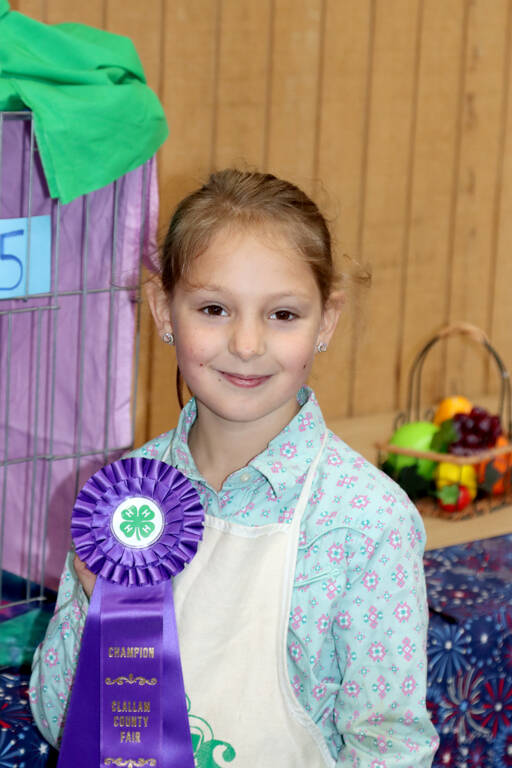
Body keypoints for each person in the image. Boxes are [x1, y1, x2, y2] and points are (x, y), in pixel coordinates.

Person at [30, 169, 439, 766]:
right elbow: (58, 721)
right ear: (163, 309)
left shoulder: (366, 521)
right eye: (215, 308)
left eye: (283, 315)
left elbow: (391, 746)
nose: (247, 344)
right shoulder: (121, 502)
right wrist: (92, 610)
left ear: (325, 321)